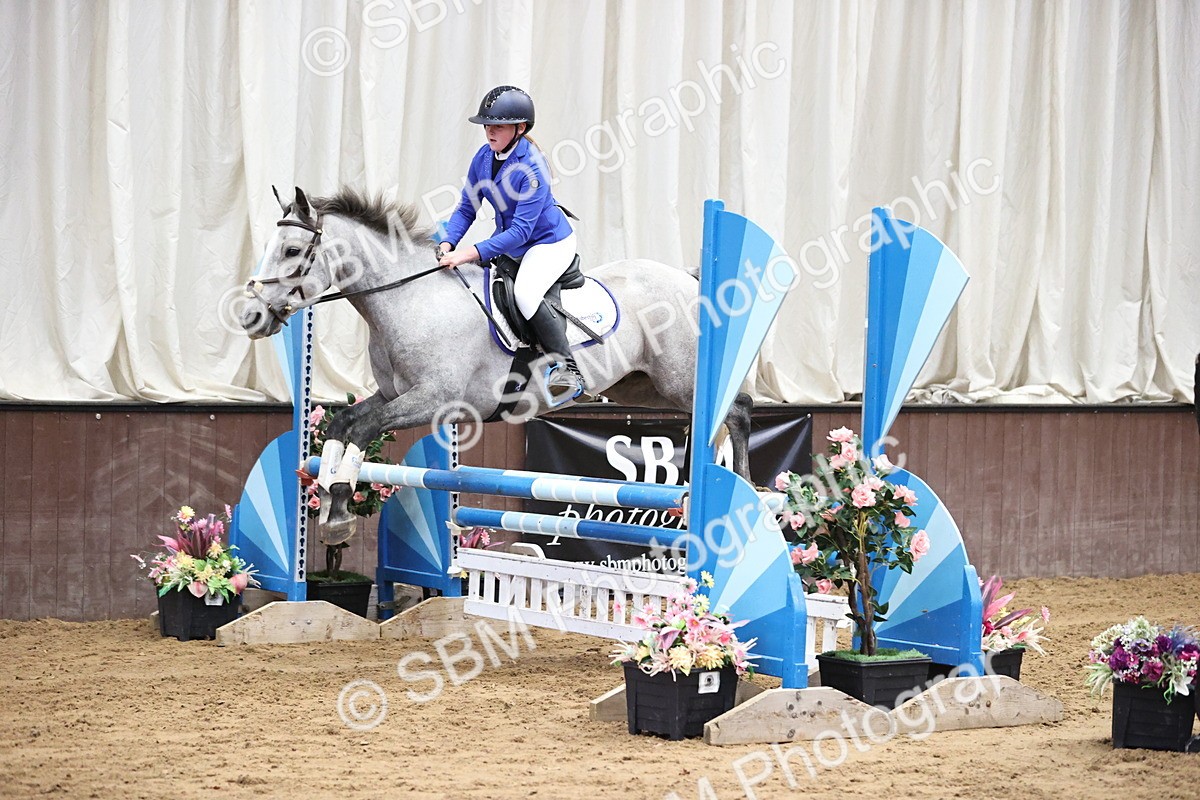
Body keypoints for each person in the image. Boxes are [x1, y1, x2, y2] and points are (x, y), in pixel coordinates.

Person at [437, 85, 585, 399]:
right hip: (511, 241)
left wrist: (466, 253)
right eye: (487, 125)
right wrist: (449, 242)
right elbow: (467, 207)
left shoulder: (532, 168)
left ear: (520, 129)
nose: (489, 131)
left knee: (526, 293)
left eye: (498, 126)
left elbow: (520, 232)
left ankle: (567, 369)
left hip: (547, 243)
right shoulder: (483, 158)